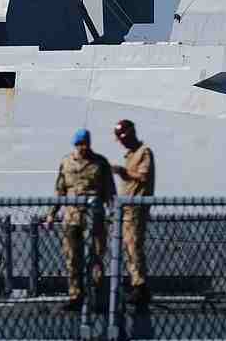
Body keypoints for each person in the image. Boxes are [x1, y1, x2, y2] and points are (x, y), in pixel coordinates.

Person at [45, 128, 116, 311]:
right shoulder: (66, 162)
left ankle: (97, 298)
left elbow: (110, 192)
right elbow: (60, 190)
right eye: (80, 144)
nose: (83, 147)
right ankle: (75, 296)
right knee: (72, 258)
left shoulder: (100, 163)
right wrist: (51, 214)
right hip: (72, 217)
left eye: (85, 143)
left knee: (96, 257)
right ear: (75, 144)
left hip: (95, 217)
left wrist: (113, 215)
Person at [110, 119, 155, 309]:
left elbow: (143, 176)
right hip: (126, 208)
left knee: (134, 246)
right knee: (128, 247)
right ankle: (135, 282)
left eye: (123, 138)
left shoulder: (144, 152)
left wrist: (123, 172)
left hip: (136, 208)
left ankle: (140, 286)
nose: (121, 142)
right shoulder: (130, 155)